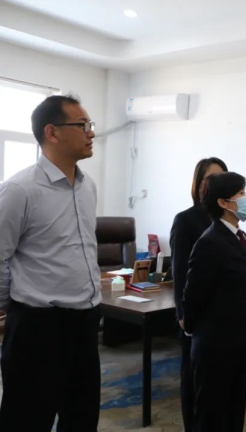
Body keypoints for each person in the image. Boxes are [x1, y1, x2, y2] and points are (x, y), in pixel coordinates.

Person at [0, 95, 102, 431]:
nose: (91, 133)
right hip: (37, 327)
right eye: (82, 125)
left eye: (90, 125)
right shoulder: (20, 190)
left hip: (85, 322)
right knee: (27, 419)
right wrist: (14, 309)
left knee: (81, 417)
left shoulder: (88, 188)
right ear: (52, 132)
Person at [183, 172, 246, 432]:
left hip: (239, 340)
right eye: (241, 194)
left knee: (234, 410)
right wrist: (190, 326)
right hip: (215, 345)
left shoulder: (240, 237)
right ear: (223, 203)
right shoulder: (209, 243)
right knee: (211, 416)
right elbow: (194, 295)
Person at [169, 157, 228, 432]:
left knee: (218, 388)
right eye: (210, 179)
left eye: (221, 178)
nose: (216, 184)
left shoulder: (226, 219)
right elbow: (180, 272)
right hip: (196, 316)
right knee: (195, 383)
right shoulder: (186, 220)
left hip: (221, 315)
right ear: (198, 184)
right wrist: (183, 314)